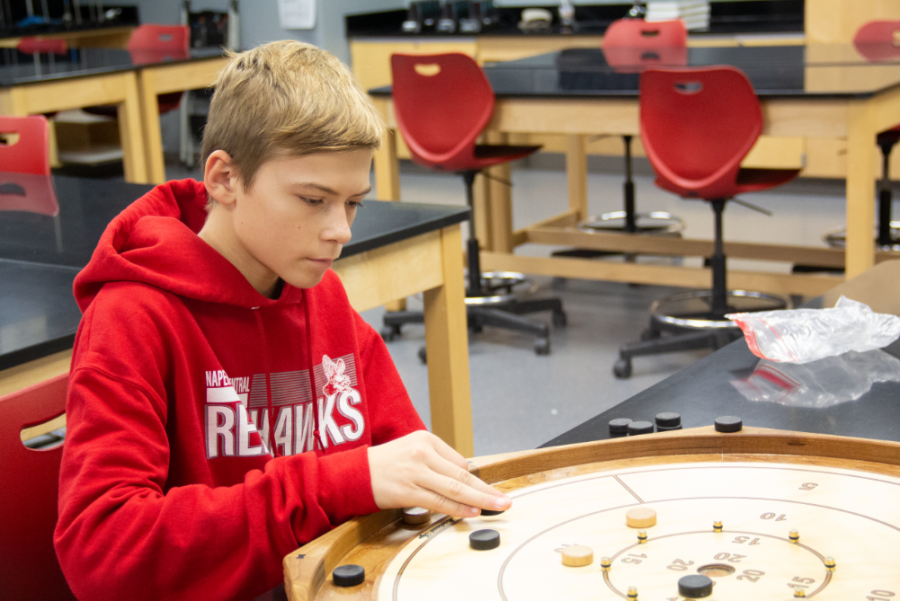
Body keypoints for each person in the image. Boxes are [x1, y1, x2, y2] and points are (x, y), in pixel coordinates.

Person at [54, 40, 510, 601]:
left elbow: (404, 464)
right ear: (224, 179)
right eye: (313, 199)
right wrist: (335, 483)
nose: (340, 230)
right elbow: (102, 553)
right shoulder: (132, 319)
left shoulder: (324, 299)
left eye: (353, 203)